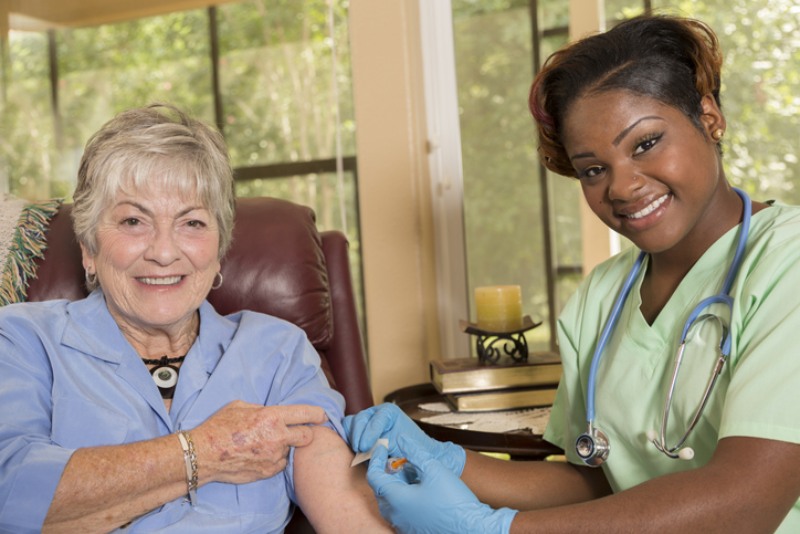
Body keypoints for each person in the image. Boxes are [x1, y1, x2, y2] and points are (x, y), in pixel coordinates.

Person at [344, 13, 800, 533]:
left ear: (709, 117)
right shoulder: (602, 296)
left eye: (646, 143)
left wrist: (496, 530)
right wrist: (450, 460)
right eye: (593, 169)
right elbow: (606, 482)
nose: (622, 187)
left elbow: (748, 500)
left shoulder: (787, 262)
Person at [0, 104, 390, 533]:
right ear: (89, 248)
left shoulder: (277, 351)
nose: (164, 252)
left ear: (220, 247)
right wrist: (201, 452)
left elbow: (347, 512)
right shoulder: (22, 341)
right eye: (133, 220)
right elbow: (9, 496)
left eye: (192, 222)